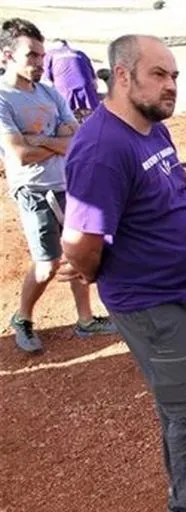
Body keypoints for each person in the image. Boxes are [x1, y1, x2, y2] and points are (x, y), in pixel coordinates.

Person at [60, 34, 186, 512]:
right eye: (159, 74)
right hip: (148, 298)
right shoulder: (102, 148)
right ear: (122, 75)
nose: (171, 86)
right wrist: (97, 275)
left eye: (175, 76)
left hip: (173, 290)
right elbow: (80, 241)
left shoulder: (151, 127)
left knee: (179, 397)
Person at [0, 18, 116, 354]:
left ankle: (85, 319)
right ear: (7, 56)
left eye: (40, 54)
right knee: (47, 263)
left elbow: (76, 137)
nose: (38, 61)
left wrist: (40, 139)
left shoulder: (49, 91)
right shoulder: (3, 98)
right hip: (33, 190)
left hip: (68, 183)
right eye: (31, 55)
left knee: (78, 250)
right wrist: (55, 141)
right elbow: (19, 154)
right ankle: (22, 317)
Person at [42, 38, 101, 123]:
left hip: (64, 89)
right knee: (91, 119)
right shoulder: (80, 53)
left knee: (66, 120)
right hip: (86, 88)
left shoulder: (50, 54)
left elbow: (46, 81)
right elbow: (94, 81)